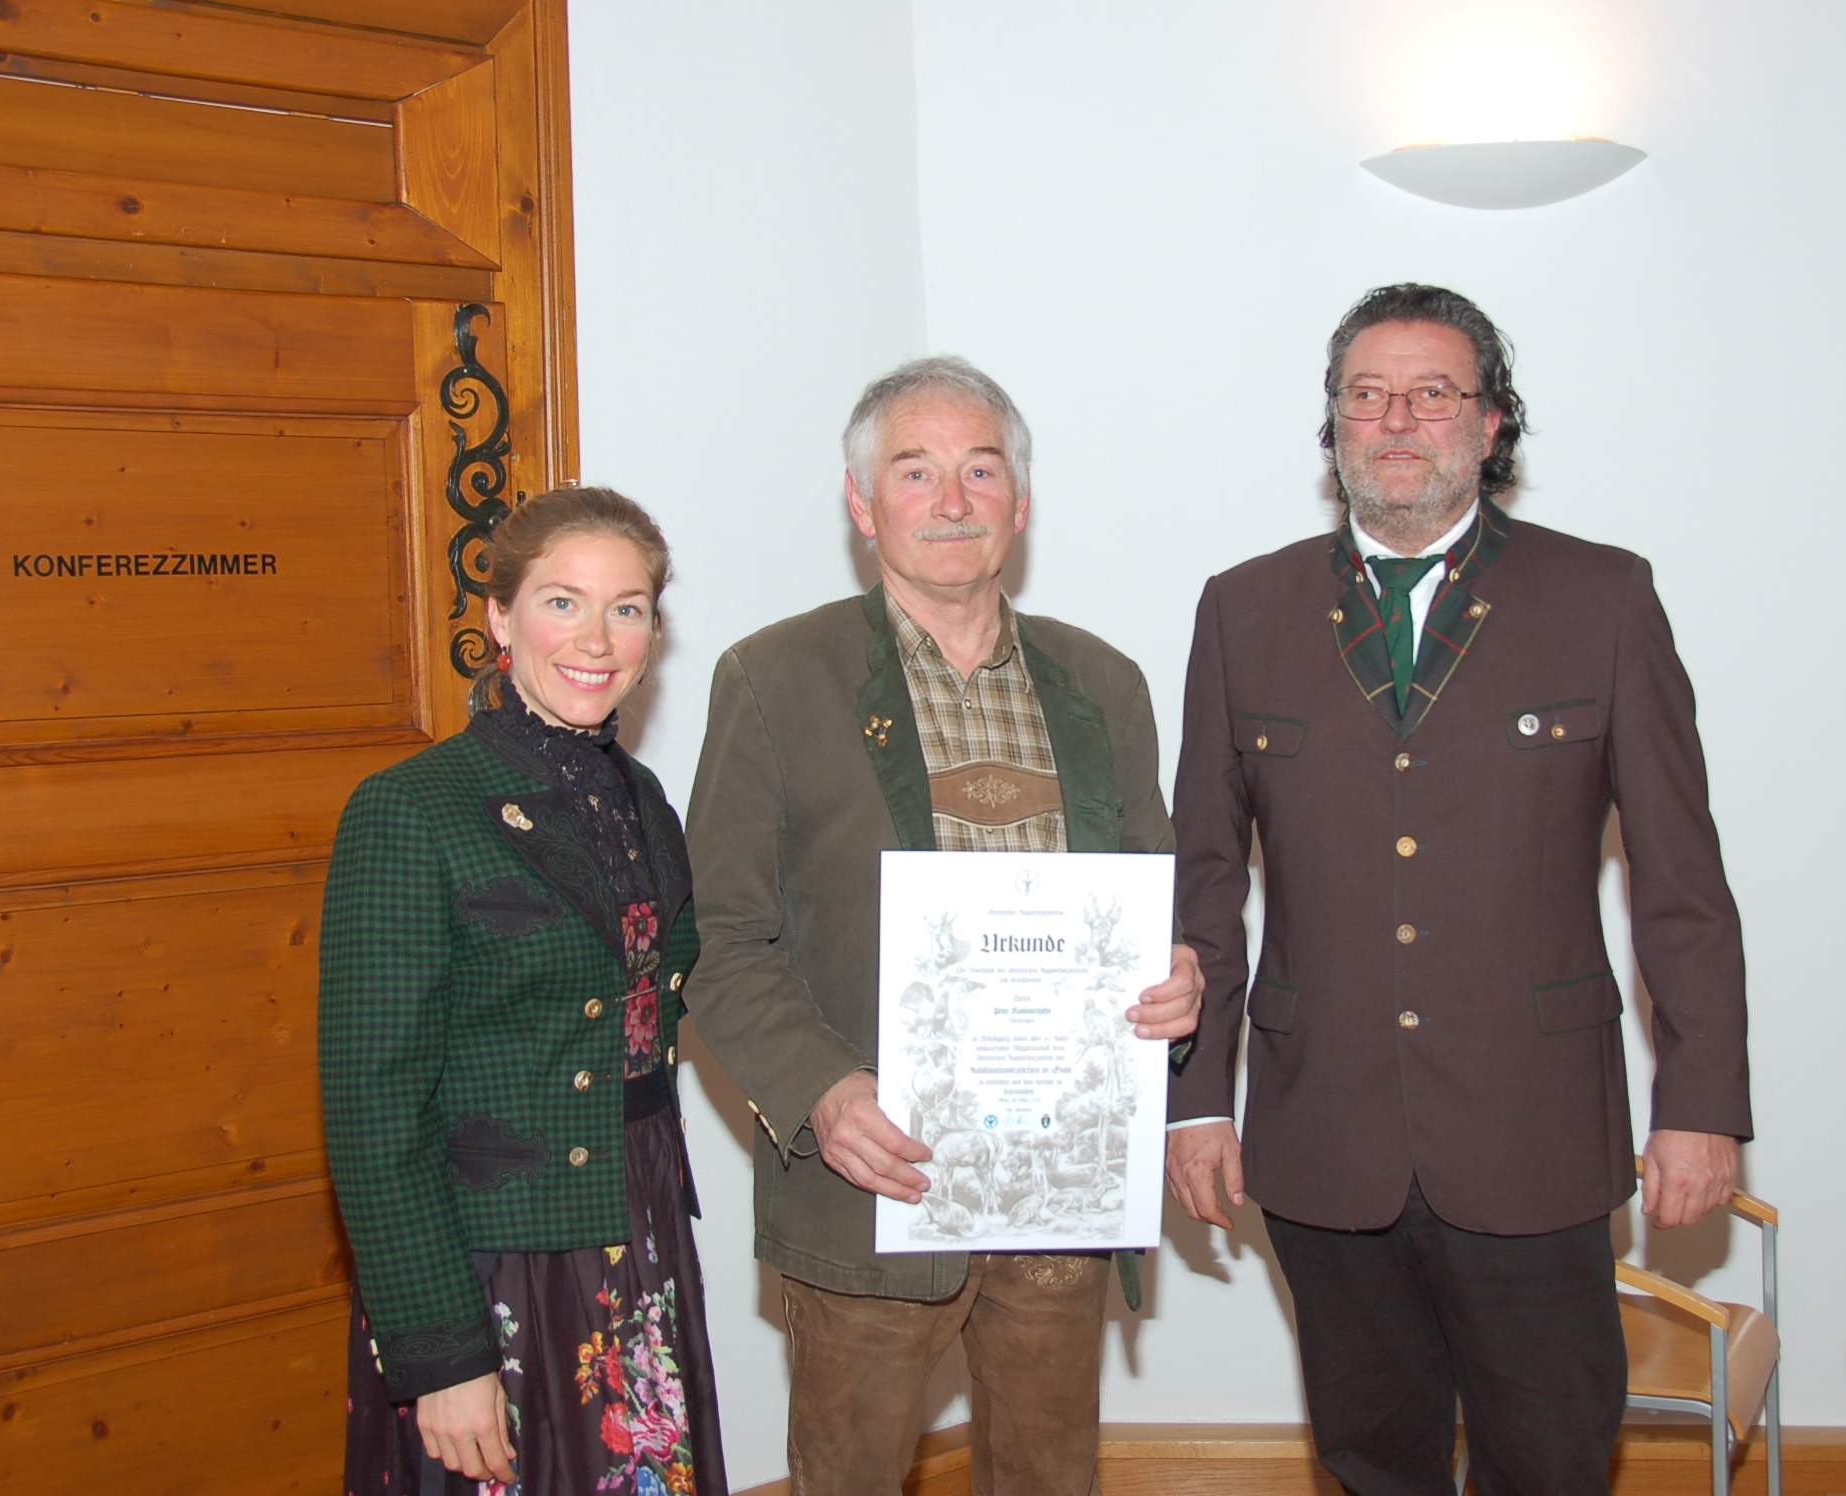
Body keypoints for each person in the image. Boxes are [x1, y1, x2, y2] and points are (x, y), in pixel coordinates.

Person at [1164, 284, 1751, 1496]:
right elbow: (1204, 880)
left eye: (1432, 392)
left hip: (1534, 1132)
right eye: (1366, 394)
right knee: (1373, 1462)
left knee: (1551, 1463)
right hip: (1322, 1134)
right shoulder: (1242, 609)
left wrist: (1700, 1101)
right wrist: (1193, 1099)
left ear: (1490, 424)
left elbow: (1682, 879)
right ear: (1333, 425)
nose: (1396, 420)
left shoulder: (1604, 598)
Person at [681, 356, 1203, 1496]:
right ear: (863, 505)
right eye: (915, 472)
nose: (953, 500)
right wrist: (823, 1090)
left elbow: (1149, 894)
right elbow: (720, 935)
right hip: (873, 1180)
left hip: (1058, 1192)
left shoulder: (1102, 682)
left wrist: (1175, 977)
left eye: (982, 469)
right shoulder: (774, 678)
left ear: (1022, 500)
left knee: (1049, 1478)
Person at [320, 486, 728, 1493]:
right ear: (501, 618)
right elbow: (373, 1109)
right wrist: (440, 1353)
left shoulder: (641, 798)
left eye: (627, 608)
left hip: (636, 1233)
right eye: (562, 602)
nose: (596, 638)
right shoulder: (410, 808)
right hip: (493, 1265)